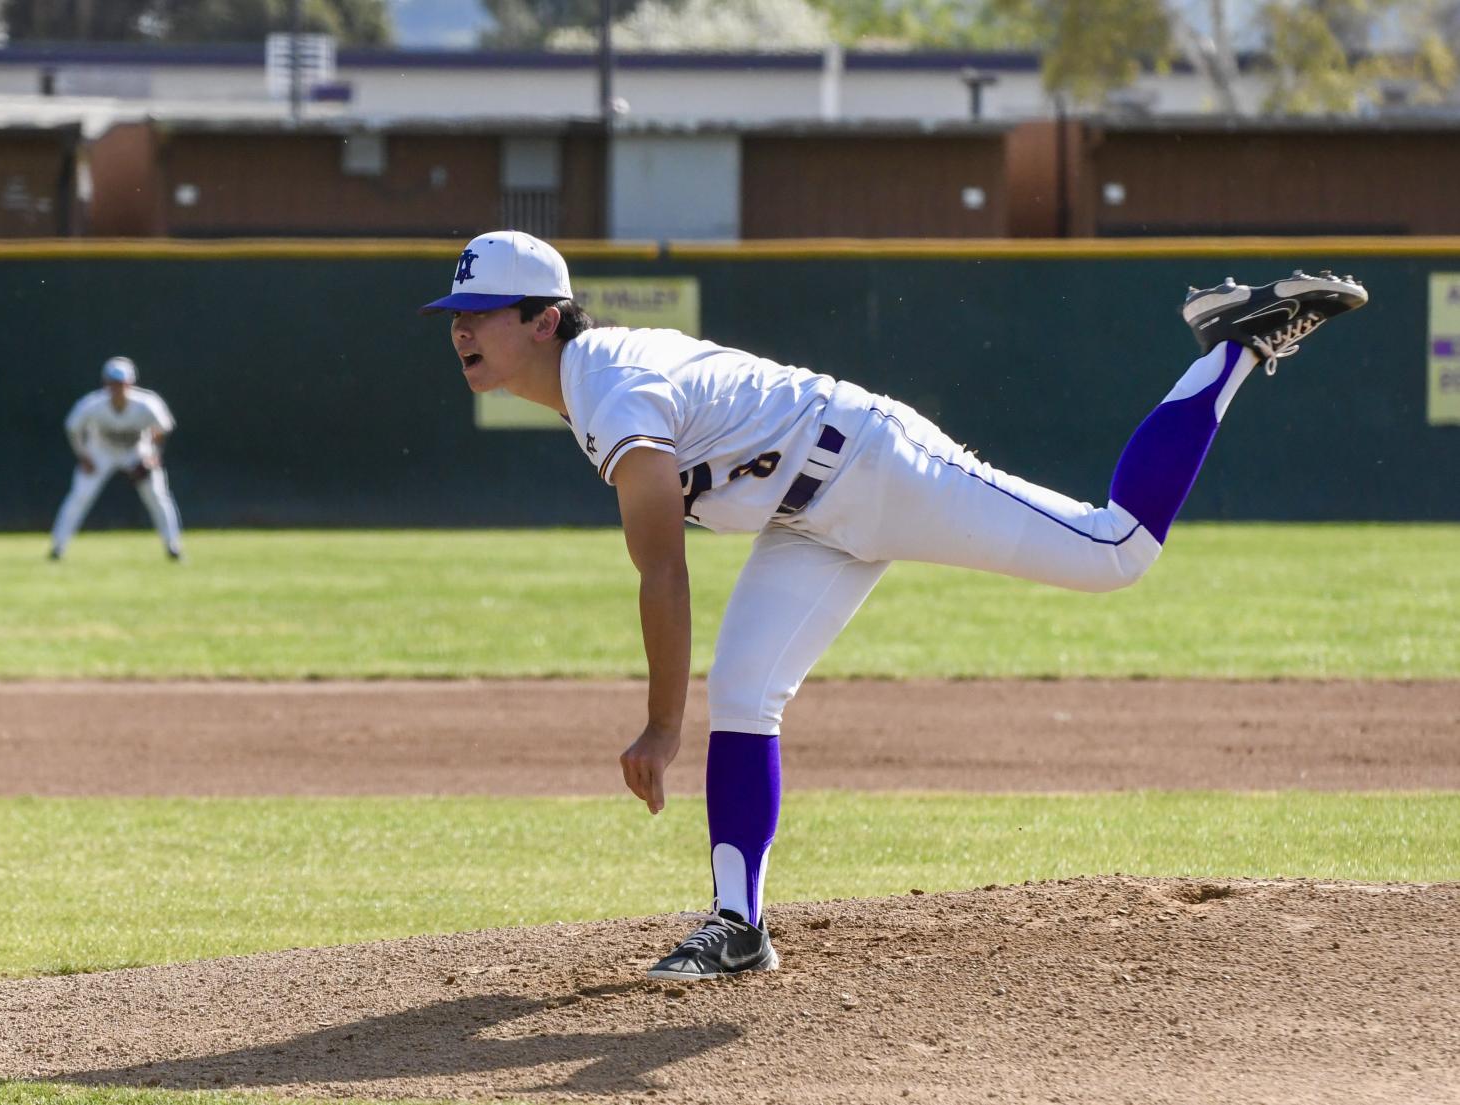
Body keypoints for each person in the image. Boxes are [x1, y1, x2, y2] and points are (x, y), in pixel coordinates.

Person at [421, 230, 1367, 981]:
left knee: (1114, 549)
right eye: (455, 313)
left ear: (544, 320)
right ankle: (737, 926)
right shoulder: (591, 386)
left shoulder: (612, 386)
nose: (462, 329)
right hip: (806, 515)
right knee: (746, 694)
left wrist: (661, 727)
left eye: (481, 312)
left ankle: (1234, 344)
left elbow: (662, 574)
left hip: (873, 465)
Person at [49, 356, 184, 561]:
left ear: (130, 383)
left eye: (121, 383)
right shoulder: (92, 404)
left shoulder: (147, 403)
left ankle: (173, 546)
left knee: (157, 495)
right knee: (80, 496)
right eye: (113, 383)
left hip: (137, 451)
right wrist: (83, 455)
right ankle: (58, 547)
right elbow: (72, 428)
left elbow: (163, 428)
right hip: (100, 451)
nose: (117, 388)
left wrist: (154, 455)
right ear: (106, 383)